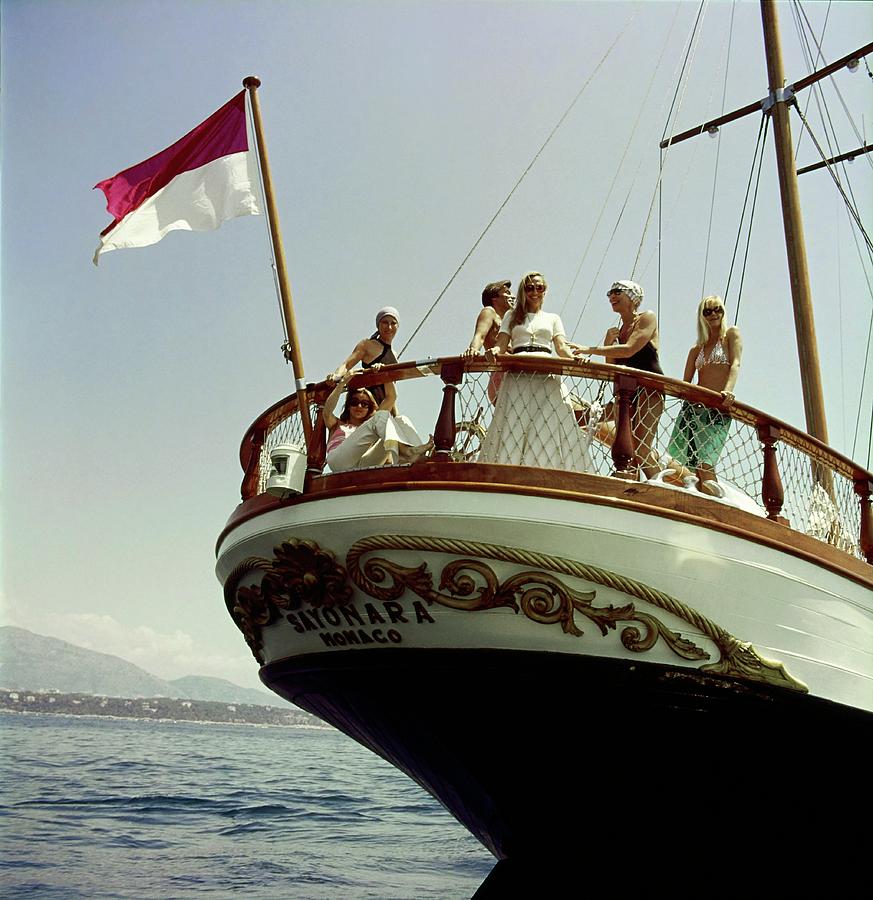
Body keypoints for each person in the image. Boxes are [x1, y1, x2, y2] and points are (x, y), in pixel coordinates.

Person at [479, 271, 592, 472]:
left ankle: (549, 470)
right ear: (524, 291)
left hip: (546, 373)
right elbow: (502, 343)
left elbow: (561, 348)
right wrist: (495, 351)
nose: (534, 291)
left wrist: (575, 358)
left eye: (539, 287)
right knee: (515, 422)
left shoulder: (553, 318)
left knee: (549, 422)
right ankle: (508, 469)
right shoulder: (511, 316)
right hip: (518, 374)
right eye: (530, 287)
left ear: (545, 291)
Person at [575, 280, 664, 479]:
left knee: (641, 447)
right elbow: (613, 366)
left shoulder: (647, 318)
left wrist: (590, 350)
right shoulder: (617, 331)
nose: (611, 297)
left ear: (632, 297)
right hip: (625, 392)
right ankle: (630, 485)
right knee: (628, 447)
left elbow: (630, 349)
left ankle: (660, 488)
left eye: (617, 292)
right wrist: (608, 343)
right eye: (609, 294)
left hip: (649, 389)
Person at [664, 295, 742, 496]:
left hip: (717, 409)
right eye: (708, 311)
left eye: (717, 309)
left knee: (707, 461)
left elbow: (735, 364)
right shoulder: (696, 349)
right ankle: (702, 500)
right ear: (702, 317)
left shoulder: (731, 335)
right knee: (696, 466)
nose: (713, 314)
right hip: (694, 411)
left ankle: (717, 502)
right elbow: (685, 383)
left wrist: (729, 391)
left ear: (723, 311)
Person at [323, 374, 431, 472]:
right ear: (348, 405)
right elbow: (327, 411)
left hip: (363, 465)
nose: (359, 406)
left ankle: (416, 454)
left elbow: (391, 397)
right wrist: (342, 383)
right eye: (354, 402)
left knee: (398, 420)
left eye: (364, 404)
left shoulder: (371, 426)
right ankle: (406, 452)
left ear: (370, 408)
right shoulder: (337, 424)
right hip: (339, 462)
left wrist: (385, 374)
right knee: (380, 417)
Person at [327, 307, 400, 409]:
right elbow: (346, 365)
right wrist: (336, 376)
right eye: (385, 322)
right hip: (366, 407)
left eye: (393, 323)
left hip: (384, 409)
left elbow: (391, 392)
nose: (389, 327)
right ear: (378, 325)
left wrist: (395, 416)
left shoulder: (394, 354)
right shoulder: (367, 344)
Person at [463, 280, 515, 402]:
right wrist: (473, 350)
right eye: (507, 293)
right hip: (501, 374)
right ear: (494, 298)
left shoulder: (511, 319)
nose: (511, 296)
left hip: (516, 373)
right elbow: (480, 336)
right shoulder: (489, 312)